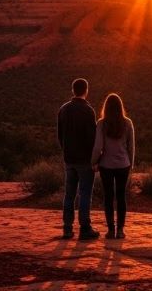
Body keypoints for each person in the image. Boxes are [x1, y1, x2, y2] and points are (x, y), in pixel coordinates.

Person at [57, 78, 100, 240]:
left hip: (69, 159)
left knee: (69, 194)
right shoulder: (88, 110)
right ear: (86, 90)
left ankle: (67, 229)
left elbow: (60, 136)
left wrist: (66, 152)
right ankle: (85, 228)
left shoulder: (63, 109)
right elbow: (92, 138)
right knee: (84, 193)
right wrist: (96, 159)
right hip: (84, 160)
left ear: (73, 90)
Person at [91, 93, 136, 240]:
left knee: (108, 196)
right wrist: (131, 164)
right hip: (123, 164)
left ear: (106, 107)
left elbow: (98, 147)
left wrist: (93, 162)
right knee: (121, 196)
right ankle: (120, 231)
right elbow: (131, 147)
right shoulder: (127, 123)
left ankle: (110, 230)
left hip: (106, 165)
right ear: (120, 106)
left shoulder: (101, 123)